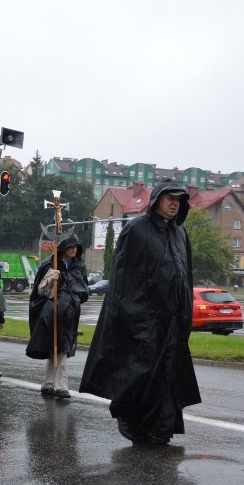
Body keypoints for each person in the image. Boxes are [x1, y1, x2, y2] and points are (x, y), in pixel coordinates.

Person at [80, 178, 201, 445]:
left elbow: (185, 276)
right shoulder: (136, 230)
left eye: (178, 200)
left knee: (166, 376)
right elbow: (123, 277)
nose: (174, 204)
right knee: (140, 373)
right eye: (170, 199)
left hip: (172, 320)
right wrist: (134, 316)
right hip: (144, 319)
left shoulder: (180, 234)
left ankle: (160, 428)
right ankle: (131, 420)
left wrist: (186, 313)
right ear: (156, 199)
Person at [26, 233, 89, 399]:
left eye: (76, 247)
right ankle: (54, 384)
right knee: (55, 347)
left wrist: (74, 298)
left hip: (70, 312)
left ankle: (55, 384)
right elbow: (41, 292)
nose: (74, 250)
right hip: (52, 312)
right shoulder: (51, 264)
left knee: (62, 348)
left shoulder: (78, 267)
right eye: (71, 247)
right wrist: (50, 280)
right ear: (64, 248)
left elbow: (83, 290)